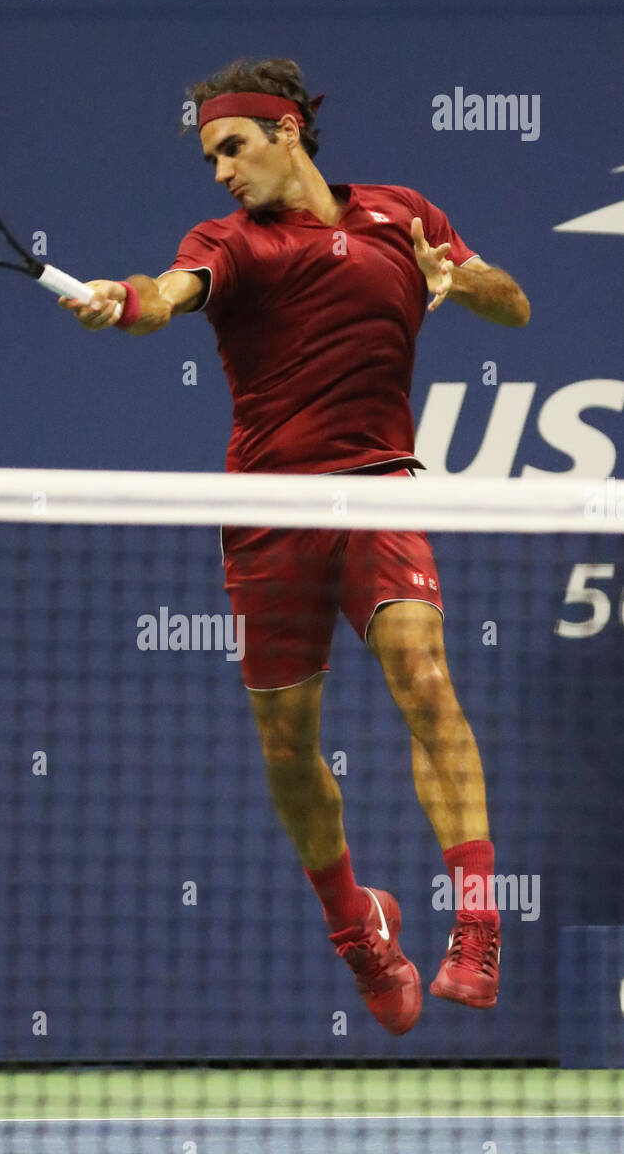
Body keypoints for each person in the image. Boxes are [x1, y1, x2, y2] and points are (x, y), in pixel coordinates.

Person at [59, 57, 530, 1035]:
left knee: (423, 672)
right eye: (208, 157)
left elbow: (509, 305)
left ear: (284, 132)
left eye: (232, 147)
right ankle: (357, 925)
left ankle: (476, 926)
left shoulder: (401, 214)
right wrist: (124, 299)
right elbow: (168, 291)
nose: (220, 171)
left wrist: (462, 274)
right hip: (270, 515)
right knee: (286, 746)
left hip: (376, 490)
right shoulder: (227, 243)